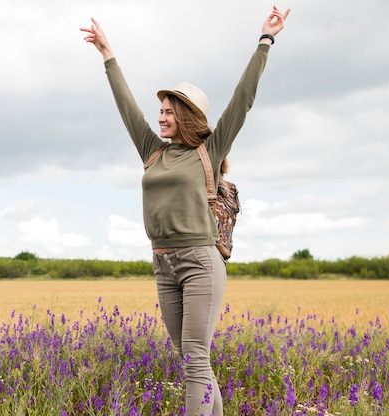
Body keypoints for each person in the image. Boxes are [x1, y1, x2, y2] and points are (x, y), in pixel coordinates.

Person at [81, 6, 290, 415]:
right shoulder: (152, 152)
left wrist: (265, 41)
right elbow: (126, 107)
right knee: (192, 359)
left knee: (195, 355)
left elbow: (242, 100)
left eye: (168, 111)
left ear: (187, 115)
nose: (160, 116)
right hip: (162, 263)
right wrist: (108, 55)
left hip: (199, 261)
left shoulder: (208, 152)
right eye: (159, 110)